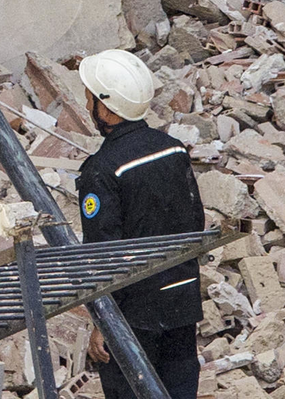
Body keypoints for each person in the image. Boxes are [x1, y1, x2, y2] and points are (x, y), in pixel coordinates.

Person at [76, 49, 205, 399]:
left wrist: (105, 322)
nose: (86, 104)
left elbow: (104, 254)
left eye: (89, 97)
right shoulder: (173, 150)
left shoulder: (101, 170)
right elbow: (196, 222)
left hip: (135, 316)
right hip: (181, 299)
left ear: (105, 106)